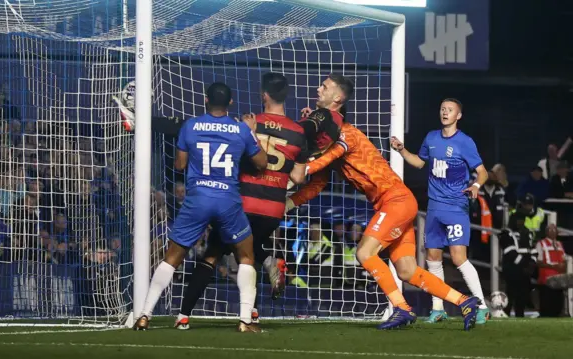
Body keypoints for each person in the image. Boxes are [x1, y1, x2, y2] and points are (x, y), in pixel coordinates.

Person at [286, 92, 480, 331]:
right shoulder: (331, 147)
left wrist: (301, 163)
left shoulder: (346, 135)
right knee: (407, 270)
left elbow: (317, 164)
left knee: (364, 253)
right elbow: (317, 184)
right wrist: (290, 202)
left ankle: (402, 308)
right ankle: (465, 301)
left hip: (395, 201)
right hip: (397, 202)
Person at [174, 73, 311, 330]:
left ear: (264, 95)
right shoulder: (298, 132)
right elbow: (298, 177)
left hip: (242, 203)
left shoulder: (247, 124)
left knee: (212, 255)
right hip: (273, 208)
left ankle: (183, 314)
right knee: (250, 256)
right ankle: (254, 310)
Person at [132, 82, 268, 332]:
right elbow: (261, 163)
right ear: (230, 103)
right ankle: (245, 320)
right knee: (246, 256)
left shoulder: (191, 126)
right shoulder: (240, 129)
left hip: (198, 200)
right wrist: (251, 132)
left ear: (205, 100)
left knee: (172, 258)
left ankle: (144, 314)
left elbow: (180, 166)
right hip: (227, 200)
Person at [390, 98, 490, 324]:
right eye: (443, 109)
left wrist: (475, 186)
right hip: (434, 206)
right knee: (433, 258)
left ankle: (482, 305)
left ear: (458, 116)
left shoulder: (465, 142)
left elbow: (482, 171)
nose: (445, 113)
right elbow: (419, 162)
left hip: (456, 207)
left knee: (458, 258)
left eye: (450, 110)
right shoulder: (431, 137)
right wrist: (401, 150)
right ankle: (438, 309)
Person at [500, 212, 537, 318]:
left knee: (523, 295)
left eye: (523, 219)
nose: (521, 222)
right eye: (519, 219)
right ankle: (505, 315)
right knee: (510, 294)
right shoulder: (506, 233)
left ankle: (520, 316)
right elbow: (509, 252)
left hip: (525, 270)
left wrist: (532, 263)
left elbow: (533, 249)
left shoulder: (528, 232)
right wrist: (524, 264)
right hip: (512, 269)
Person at [536, 224, 567, 317]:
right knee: (547, 303)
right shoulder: (541, 243)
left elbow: (564, 259)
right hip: (547, 278)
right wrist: (554, 267)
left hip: (559, 278)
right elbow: (538, 262)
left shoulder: (559, 244)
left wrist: (563, 266)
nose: (553, 232)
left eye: (554, 230)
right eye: (550, 230)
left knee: (558, 303)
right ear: (546, 232)